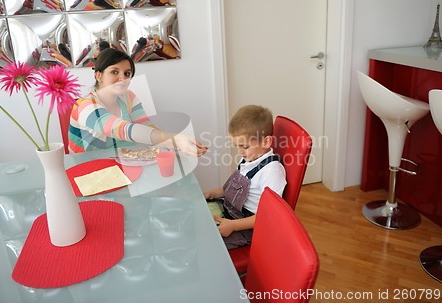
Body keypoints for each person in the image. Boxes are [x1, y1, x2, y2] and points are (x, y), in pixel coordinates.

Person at [68, 48, 207, 156]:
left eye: (127, 73)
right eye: (114, 72)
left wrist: (178, 145)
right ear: (99, 76)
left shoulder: (128, 96)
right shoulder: (84, 106)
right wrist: (175, 140)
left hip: (123, 163)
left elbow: (147, 128)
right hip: (89, 171)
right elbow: (122, 130)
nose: (122, 78)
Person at [203, 105, 287, 249]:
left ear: (266, 142)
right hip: (229, 212)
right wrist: (212, 193)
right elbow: (234, 189)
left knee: (207, 243)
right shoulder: (249, 158)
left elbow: (269, 216)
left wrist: (233, 226)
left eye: (245, 146)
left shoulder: (272, 172)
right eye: (237, 146)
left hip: (247, 228)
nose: (240, 151)